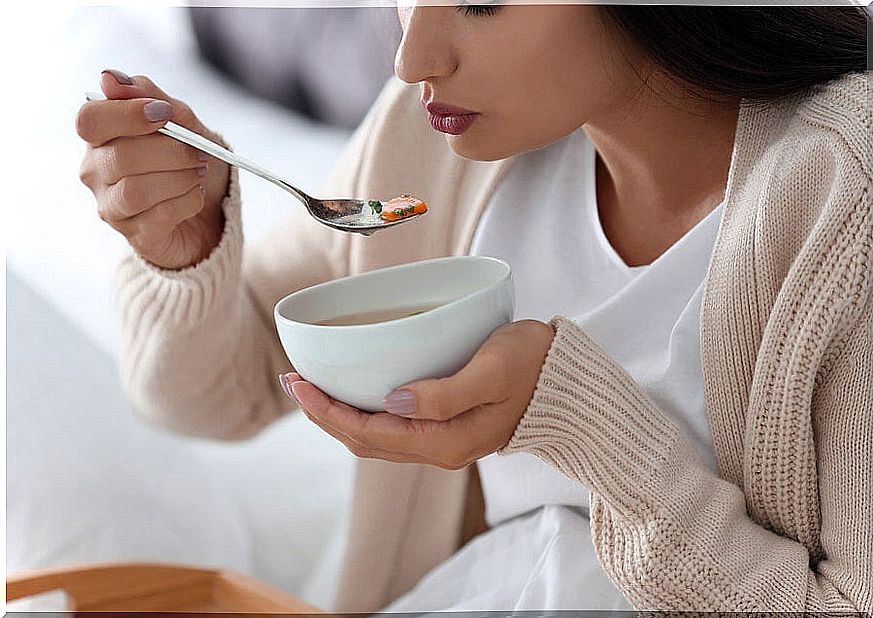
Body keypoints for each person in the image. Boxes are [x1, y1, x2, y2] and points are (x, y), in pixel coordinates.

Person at [75, 4, 870, 613]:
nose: (412, 56)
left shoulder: (846, 199)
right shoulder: (426, 141)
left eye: (480, 0)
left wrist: (578, 421)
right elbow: (207, 396)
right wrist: (184, 247)